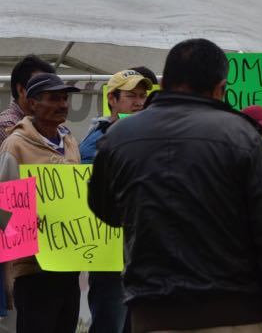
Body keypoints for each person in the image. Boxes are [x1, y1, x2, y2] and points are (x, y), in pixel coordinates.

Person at [88, 38, 262, 333]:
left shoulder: (118, 137)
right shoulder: (244, 136)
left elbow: (105, 210)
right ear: (220, 88)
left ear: (162, 83)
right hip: (235, 314)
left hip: (152, 315)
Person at [0, 73, 82, 333]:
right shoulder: (15, 145)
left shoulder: (69, 142)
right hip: (34, 268)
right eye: (54, 98)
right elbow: (4, 208)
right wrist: (27, 224)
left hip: (69, 263)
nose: (63, 105)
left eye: (65, 98)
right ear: (33, 104)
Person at [79, 69, 154, 333]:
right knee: (111, 321)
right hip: (109, 251)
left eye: (142, 96)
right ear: (112, 99)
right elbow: (86, 190)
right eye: (131, 96)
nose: (139, 102)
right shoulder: (97, 141)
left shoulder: (148, 135)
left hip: (139, 249)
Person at [0, 55, 55, 143]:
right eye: (39, 88)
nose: (48, 95)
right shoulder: (9, 125)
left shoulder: (41, 121)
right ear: (21, 90)